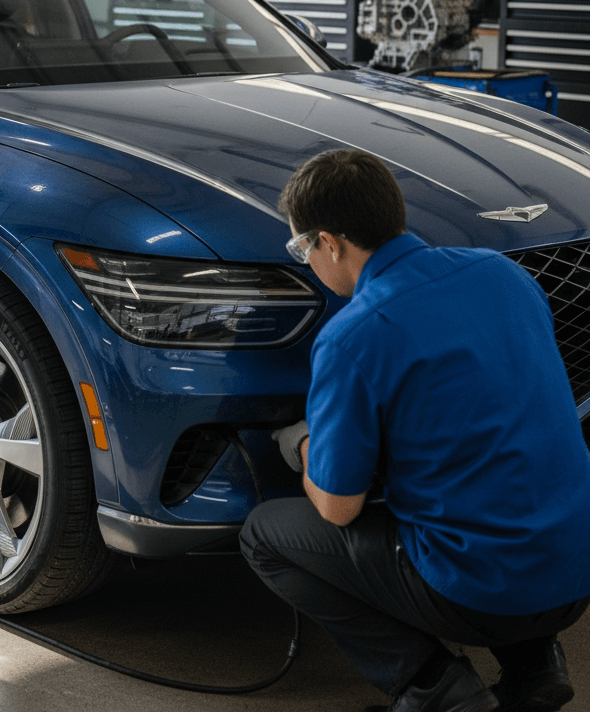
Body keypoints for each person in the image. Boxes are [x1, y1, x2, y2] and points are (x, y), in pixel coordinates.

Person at [240, 149, 590, 712]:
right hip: (578, 572)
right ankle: (536, 666)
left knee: (265, 534)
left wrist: (305, 446)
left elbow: (338, 509)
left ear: (330, 242)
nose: (307, 260)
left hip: (480, 597)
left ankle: (434, 689)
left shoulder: (354, 334)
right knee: (505, 481)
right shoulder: (505, 275)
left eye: (302, 247)